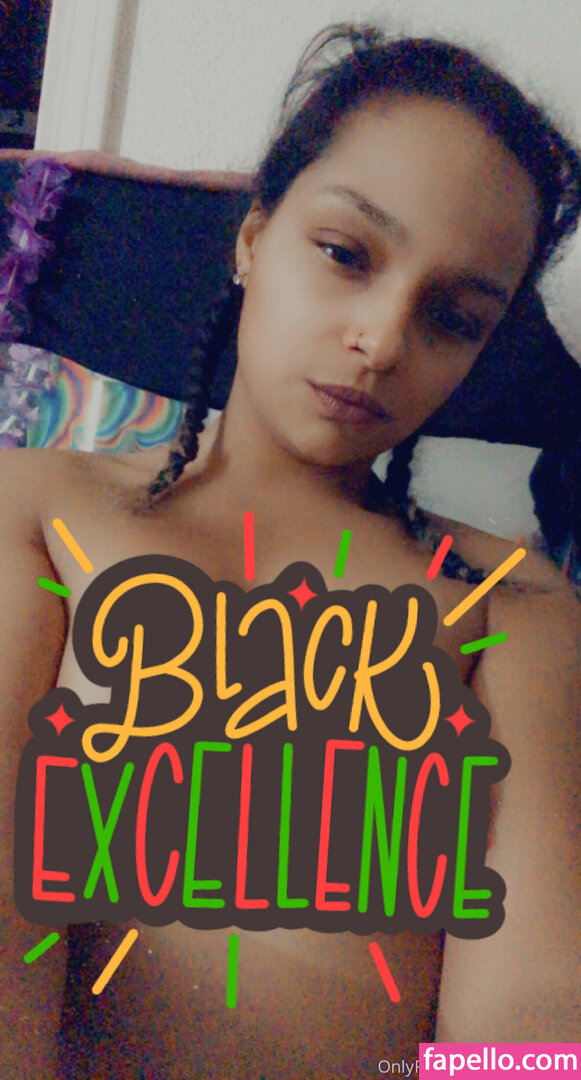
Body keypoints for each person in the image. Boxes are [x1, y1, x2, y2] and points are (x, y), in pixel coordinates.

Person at [1, 22, 580, 1080]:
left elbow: (533, 1011)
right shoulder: (37, 505)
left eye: (453, 318)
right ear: (252, 237)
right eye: (345, 254)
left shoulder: (515, 606)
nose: (383, 340)